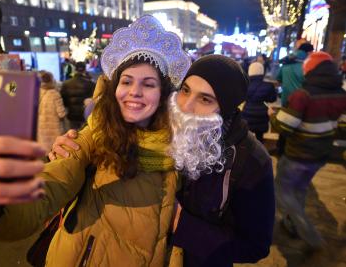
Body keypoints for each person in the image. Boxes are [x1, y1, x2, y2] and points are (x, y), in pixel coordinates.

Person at [0, 15, 192, 266]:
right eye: (126, 81)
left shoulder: (184, 145)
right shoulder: (93, 137)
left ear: (162, 94)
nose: (135, 92)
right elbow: (49, 188)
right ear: (114, 89)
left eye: (148, 84)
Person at [51, 55, 276, 267]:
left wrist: (182, 225)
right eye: (185, 90)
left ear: (226, 109)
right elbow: (110, 131)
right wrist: (69, 147)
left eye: (205, 99)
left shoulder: (252, 161)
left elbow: (255, 247)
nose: (186, 105)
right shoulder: (162, 123)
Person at [270, 51, 346, 250]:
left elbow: (285, 127)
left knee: (282, 191)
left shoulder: (303, 95)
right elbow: (343, 127)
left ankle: (309, 234)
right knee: (300, 189)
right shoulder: (341, 94)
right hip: (320, 155)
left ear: (311, 70)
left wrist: (273, 116)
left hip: (298, 154)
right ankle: (292, 224)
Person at [242, 62, 277, 143]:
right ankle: (259, 152)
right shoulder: (269, 86)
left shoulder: (245, 85)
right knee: (260, 137)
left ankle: (247, 153)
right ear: (262, 72)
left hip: (247, 113)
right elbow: (272, 99)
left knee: (246, 137)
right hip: (262, 114)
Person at [60, 61, 95, 129]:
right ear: (85, 70)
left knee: (72, 136)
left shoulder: (66, 84)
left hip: (72, 115)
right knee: (84, 137)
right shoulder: (91, 84)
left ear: (75, 69)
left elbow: (63, 101)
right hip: (85, 116)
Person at [37, 71, 66, 152]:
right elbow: (61, 114)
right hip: (54, 130)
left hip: (41, 128)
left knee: (44, 151)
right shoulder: (55, 94)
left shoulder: (36, 92)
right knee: (54, 152)